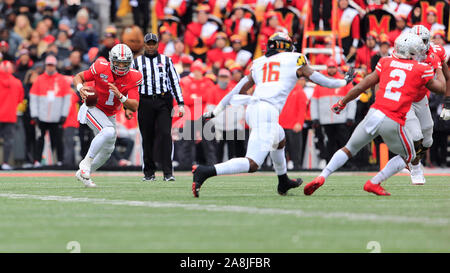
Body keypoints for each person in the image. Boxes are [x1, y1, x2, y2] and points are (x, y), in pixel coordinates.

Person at [193, 32, 357, 198]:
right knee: (252, 163)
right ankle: (205, 171)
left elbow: (236, 90)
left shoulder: (259, 63)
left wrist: (215, 112)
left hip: (254, 108)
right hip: (266, 111)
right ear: (285, 46)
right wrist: (343, 81)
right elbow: (320, 79)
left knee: (280, 139)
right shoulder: (295, 59)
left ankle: (283, 180)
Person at [303, 33, 446, 197]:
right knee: (410, 156)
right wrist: (439, 67)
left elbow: (362, 86)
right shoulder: (421, 69)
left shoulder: (385, 62)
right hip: (392, 119)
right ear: (413, 52)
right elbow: (441, 88)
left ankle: (322, 176)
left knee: (349, 149)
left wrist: (342, 102)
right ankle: (375, 182)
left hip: (374, 112)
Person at [73, 44, 143, 187]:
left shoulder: (134, 76)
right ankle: (85, 163)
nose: (121, 66)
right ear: (112, 60)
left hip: (109, 113)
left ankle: (84, 173)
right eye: (118, 62)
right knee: (109, 131)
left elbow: (134, 105)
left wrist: (122, 98)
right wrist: (80, 88)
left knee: (108, 150)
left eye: (125, 63)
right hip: (93, 107)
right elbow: (79, 76)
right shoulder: (100, 66)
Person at [399, 25, 450, 185]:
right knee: (416, 136)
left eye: (424, 41)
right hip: (405, 98)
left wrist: (447, 103)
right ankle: (416, 170)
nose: (421, 45)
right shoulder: (402, 52)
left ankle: (407, 158)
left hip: (421, 99)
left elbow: (448, 78)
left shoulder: (436, 52)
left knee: (428, 139)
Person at [131, 33, 185, 182]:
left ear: (157, 45)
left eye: (153, 43)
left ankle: (168, 172)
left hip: (163, 101)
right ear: (144, 45)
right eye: (148, 43)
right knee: (147, 137)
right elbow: (131, 85)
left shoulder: (166, 61)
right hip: (144, 101)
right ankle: (149, 172)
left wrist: (180, 103)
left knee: (165, 134)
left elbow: (174, 82)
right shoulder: (136, 62)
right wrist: (129, 104)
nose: (150, 46)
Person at [310, 58, 356, 163]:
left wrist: (350, 116)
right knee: (329, 143)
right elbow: (314, 101)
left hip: (341, 119)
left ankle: (347, 164)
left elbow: (352, 100)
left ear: (336, 68)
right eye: (329, 67)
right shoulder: (321, 82)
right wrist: (315, 118)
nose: (331, 69)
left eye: (333, 67)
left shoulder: (344, 81)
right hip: (325, 120)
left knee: (344, 143)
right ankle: (329, 163)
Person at [30, 55, 72, 167]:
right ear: (45, 65)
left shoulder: (62, 80)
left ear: (55, 66)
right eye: (48, 65)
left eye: (52, 65)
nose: (50, 67)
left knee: (57, 140)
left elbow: (67, 99)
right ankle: (37, 161)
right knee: (39, 140)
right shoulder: (39, 79)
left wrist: (64, 114)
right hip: (42, 116)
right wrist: (34, 114)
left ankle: (59, 161)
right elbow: (33, 98)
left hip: (56, 116)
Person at [0, 62, 24, 170]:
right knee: (8, 140)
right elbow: (20, 99)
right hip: (10, 116)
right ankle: (5, 162)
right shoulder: (17, 82)